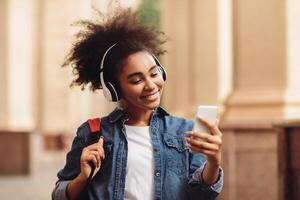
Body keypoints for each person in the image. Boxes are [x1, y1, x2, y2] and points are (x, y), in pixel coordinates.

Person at [52, 7, 223, 200]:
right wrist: (82, 178)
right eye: (136, 80)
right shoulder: (92, 132)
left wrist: (213, 161)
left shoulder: (184, 131)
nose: (151, 85)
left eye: (154, 73)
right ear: (114, 88)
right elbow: (59, 195)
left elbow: (201, 195)